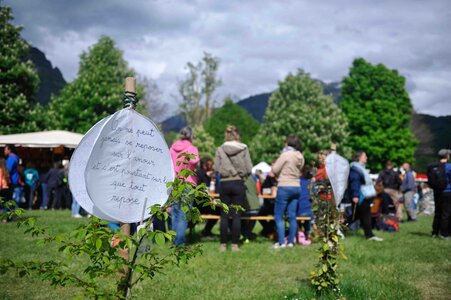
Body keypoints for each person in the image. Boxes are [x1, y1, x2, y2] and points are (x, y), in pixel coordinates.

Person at [215, 125, 252, 252]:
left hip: (225, 183)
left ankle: (223, 245)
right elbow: (249, 168)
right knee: (236, 215)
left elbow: (216, 168)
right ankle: (235, 245)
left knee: (224, 215)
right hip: (238, 183)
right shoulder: (244, 148)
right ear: (237, 135)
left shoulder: (220, 149)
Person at [272, 135, 304, 249]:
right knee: (292, 216)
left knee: (279, 216)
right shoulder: (300, 156)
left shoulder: (285, 155)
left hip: (285, 185)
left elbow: (275, 169)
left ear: (288, 143)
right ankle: (291, 242)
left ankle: (281, 242)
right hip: (296, 186)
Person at [169, 127, 199, 246]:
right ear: (191, 136)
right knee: (183, 214)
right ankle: (180, 243)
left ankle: (174, 240)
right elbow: (195, 162)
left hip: (175, 183)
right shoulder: (192, 148)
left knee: (175, 213)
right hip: (187, 183)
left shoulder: (172, 148)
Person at [348, 151, 383, 241]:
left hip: (364, 196)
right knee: (365, 215)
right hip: (360, 196)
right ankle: (369, 235)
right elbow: (354, 182)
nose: (366, 157)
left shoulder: (360, 168)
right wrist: (355, 195)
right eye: (365, 156)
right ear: (359, 157)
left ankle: (339, 229)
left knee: (356, 216)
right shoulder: (355, 169)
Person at [195, 157, 217, 238]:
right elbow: (201, 189)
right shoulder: (199, 174)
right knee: (218, 210)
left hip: (205, 202)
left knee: (217, 210)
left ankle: (206, 231)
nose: (212, 167)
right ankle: (206, 232)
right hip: (200, 203)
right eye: (210, 165)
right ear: (204, 165)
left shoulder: (205, 174)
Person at [297, 165, 313, 246]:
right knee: (309, 214)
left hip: (297, 211)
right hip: (307, 211)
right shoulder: (310, 184)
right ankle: (307, 232)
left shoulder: (297, 182)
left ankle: (299, 231)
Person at [1, 158, 12, 222]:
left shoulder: (0, 170)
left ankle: (4, 219)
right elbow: (9, 181)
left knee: (2, 205)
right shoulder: (6, 170)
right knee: (6, 204)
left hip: (1, 188)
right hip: (6, 189)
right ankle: (6, 218)